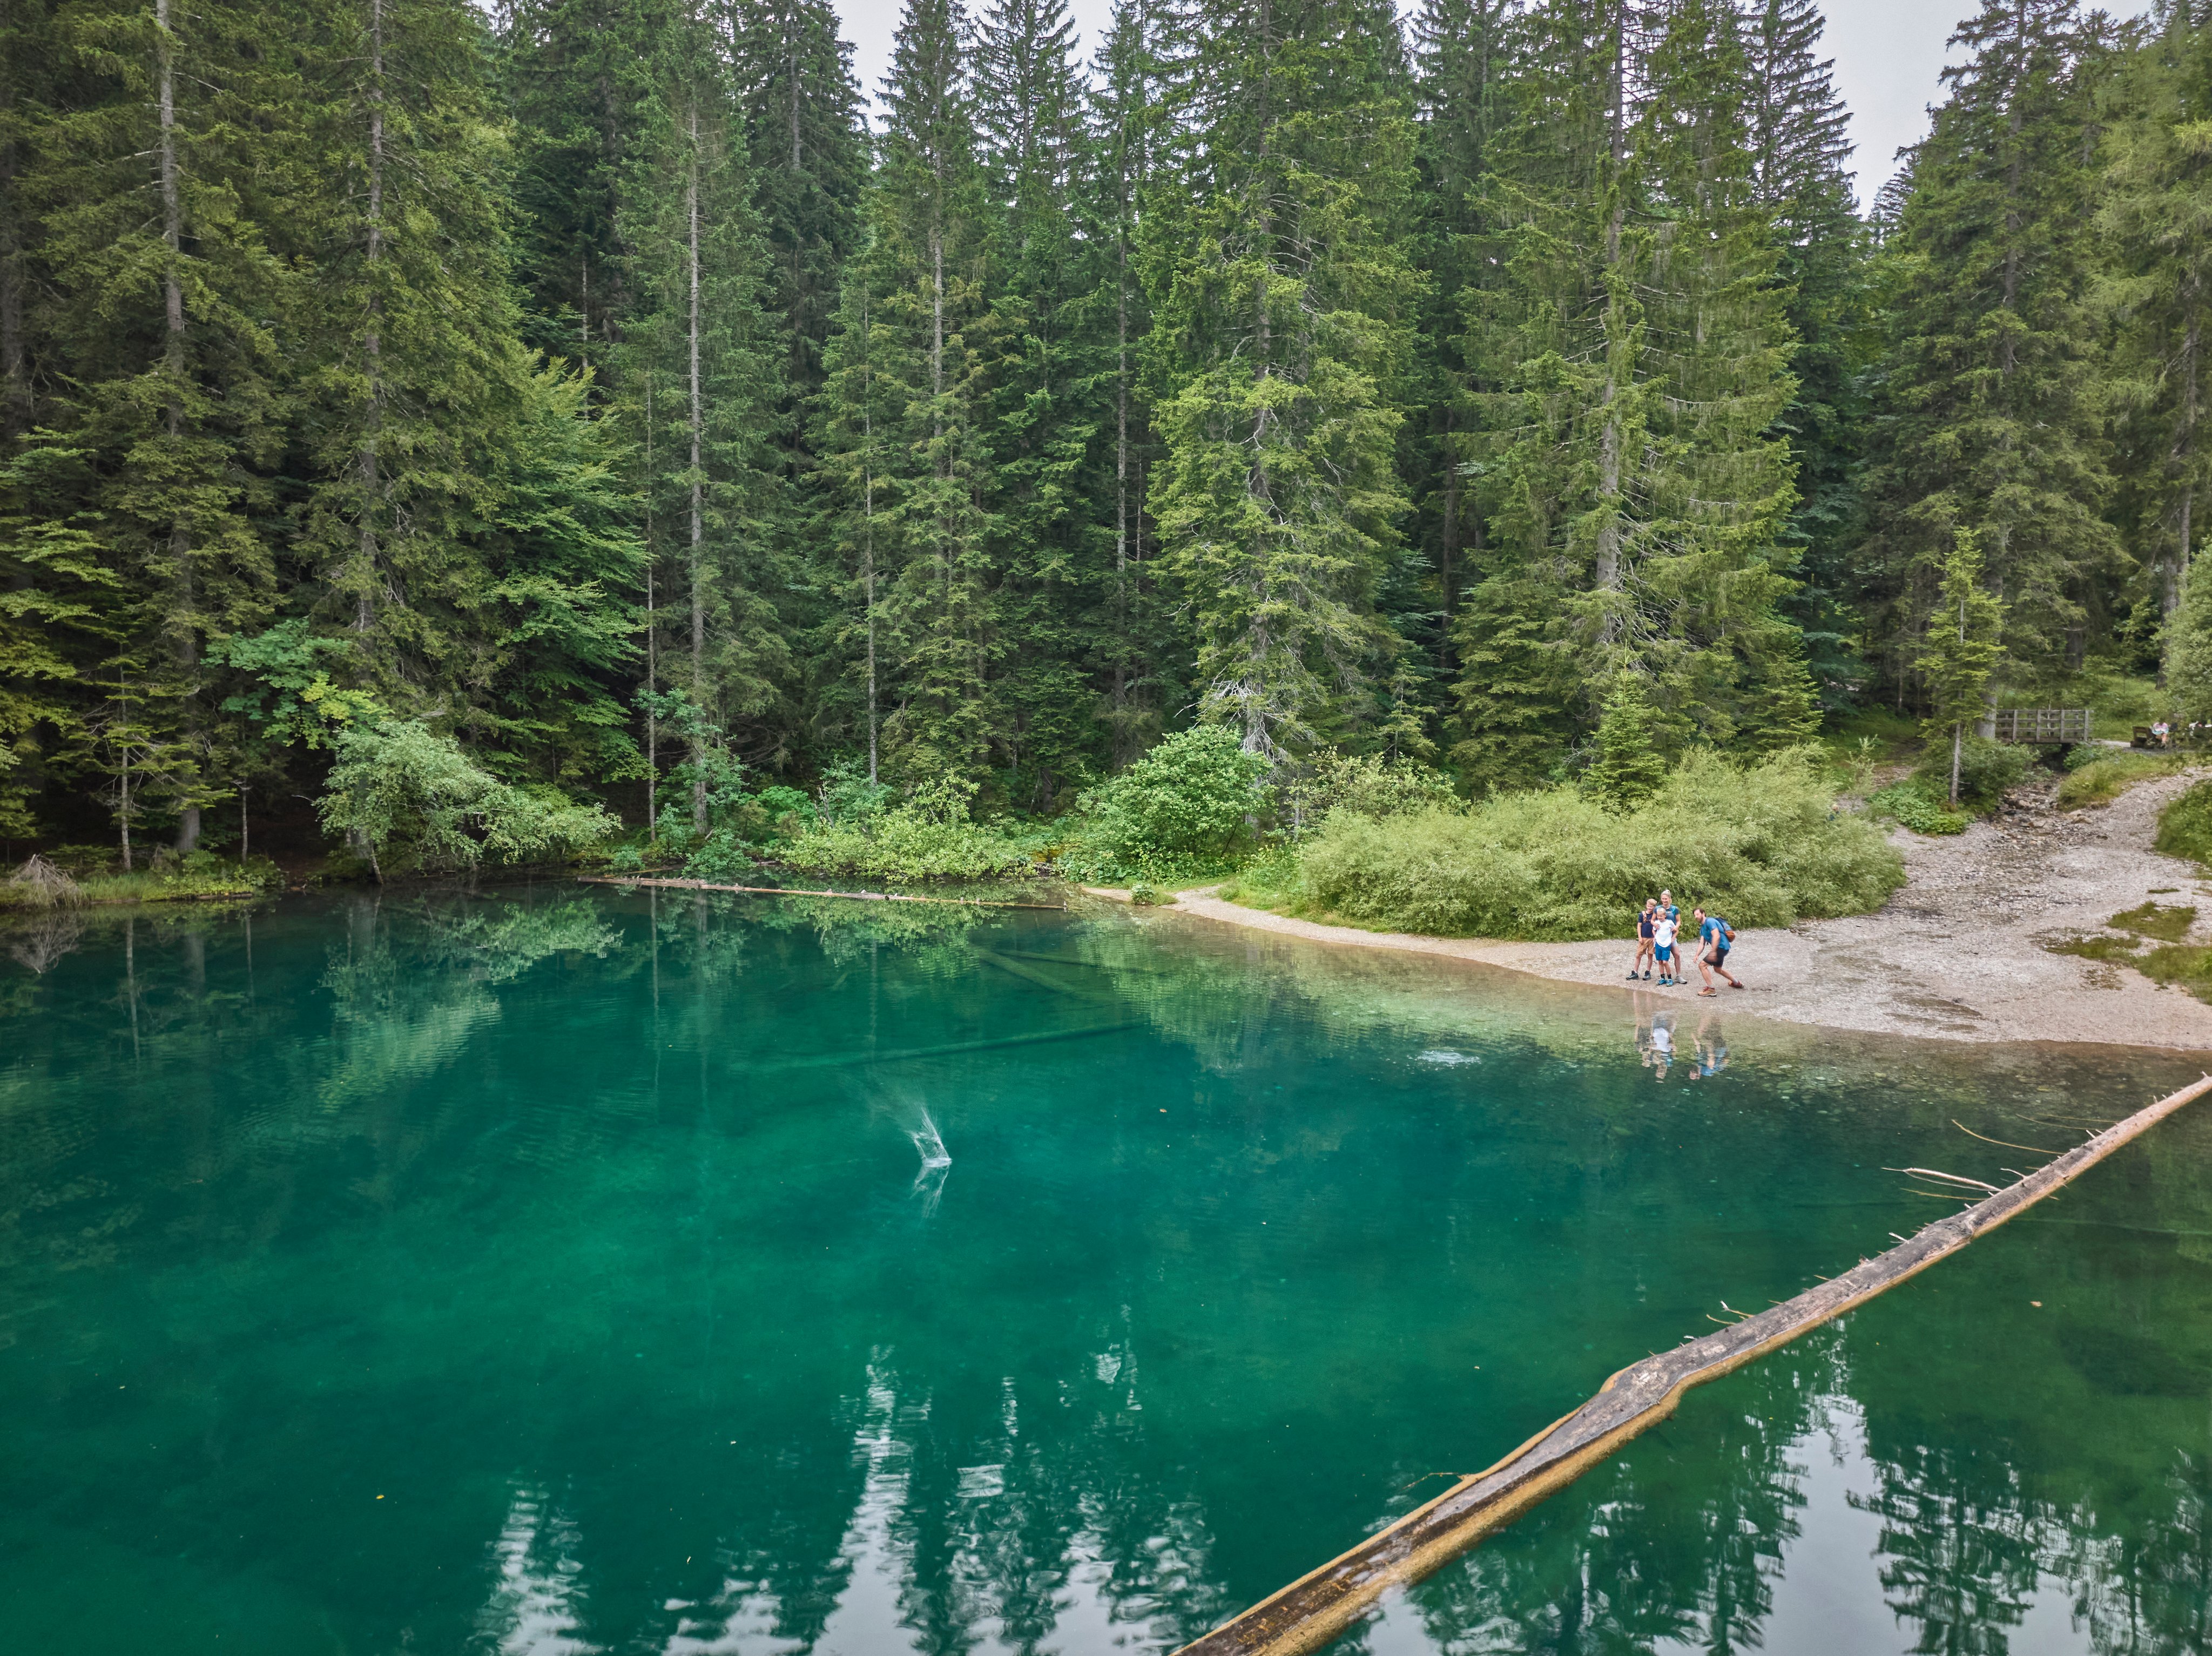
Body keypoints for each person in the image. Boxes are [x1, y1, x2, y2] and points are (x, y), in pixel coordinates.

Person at [1692, 905, 1742, 995]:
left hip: (1721, 947)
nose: (1696, 917)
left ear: (1703, 914)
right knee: (1718, 969)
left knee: (1702, 966)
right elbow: (1701, 943)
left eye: (1698, 914)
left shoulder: (1710, 922)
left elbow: (1717, 936)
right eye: (1695, 915)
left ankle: (1711, 990)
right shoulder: (1703, 928)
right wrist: (1697, 955)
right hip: (1722, 948)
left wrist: (1714, 951)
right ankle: (1736, 983)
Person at [1629, 898, 1658, 980]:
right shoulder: (1642, 915)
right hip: (1643, 938)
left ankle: (1648, 972)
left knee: (1650, 956)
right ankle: (1635, 972)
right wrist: (1640, 937)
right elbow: (1639, 926)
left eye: (1651, 907)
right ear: (1646, 905)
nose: (1649, 908)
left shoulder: (1656, 916)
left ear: (1654, 907)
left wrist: (1655, 938)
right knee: (1638, 955)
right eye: (1648, 906)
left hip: (1652, 939)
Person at [1652, 908, 1680, 985]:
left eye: (1661, 916)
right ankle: (1662, 978)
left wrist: (1673, 938)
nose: (1659, 917)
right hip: (1658, 944)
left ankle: (1670, 978)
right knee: (1660, 961)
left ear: (1665, 916)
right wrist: (1655, 937)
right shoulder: (1657, 923)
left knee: (1665, 962)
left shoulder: (1669, 923)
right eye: (1658, 916)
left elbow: (1676, 930)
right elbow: (1653, 930)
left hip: (1666, 944)